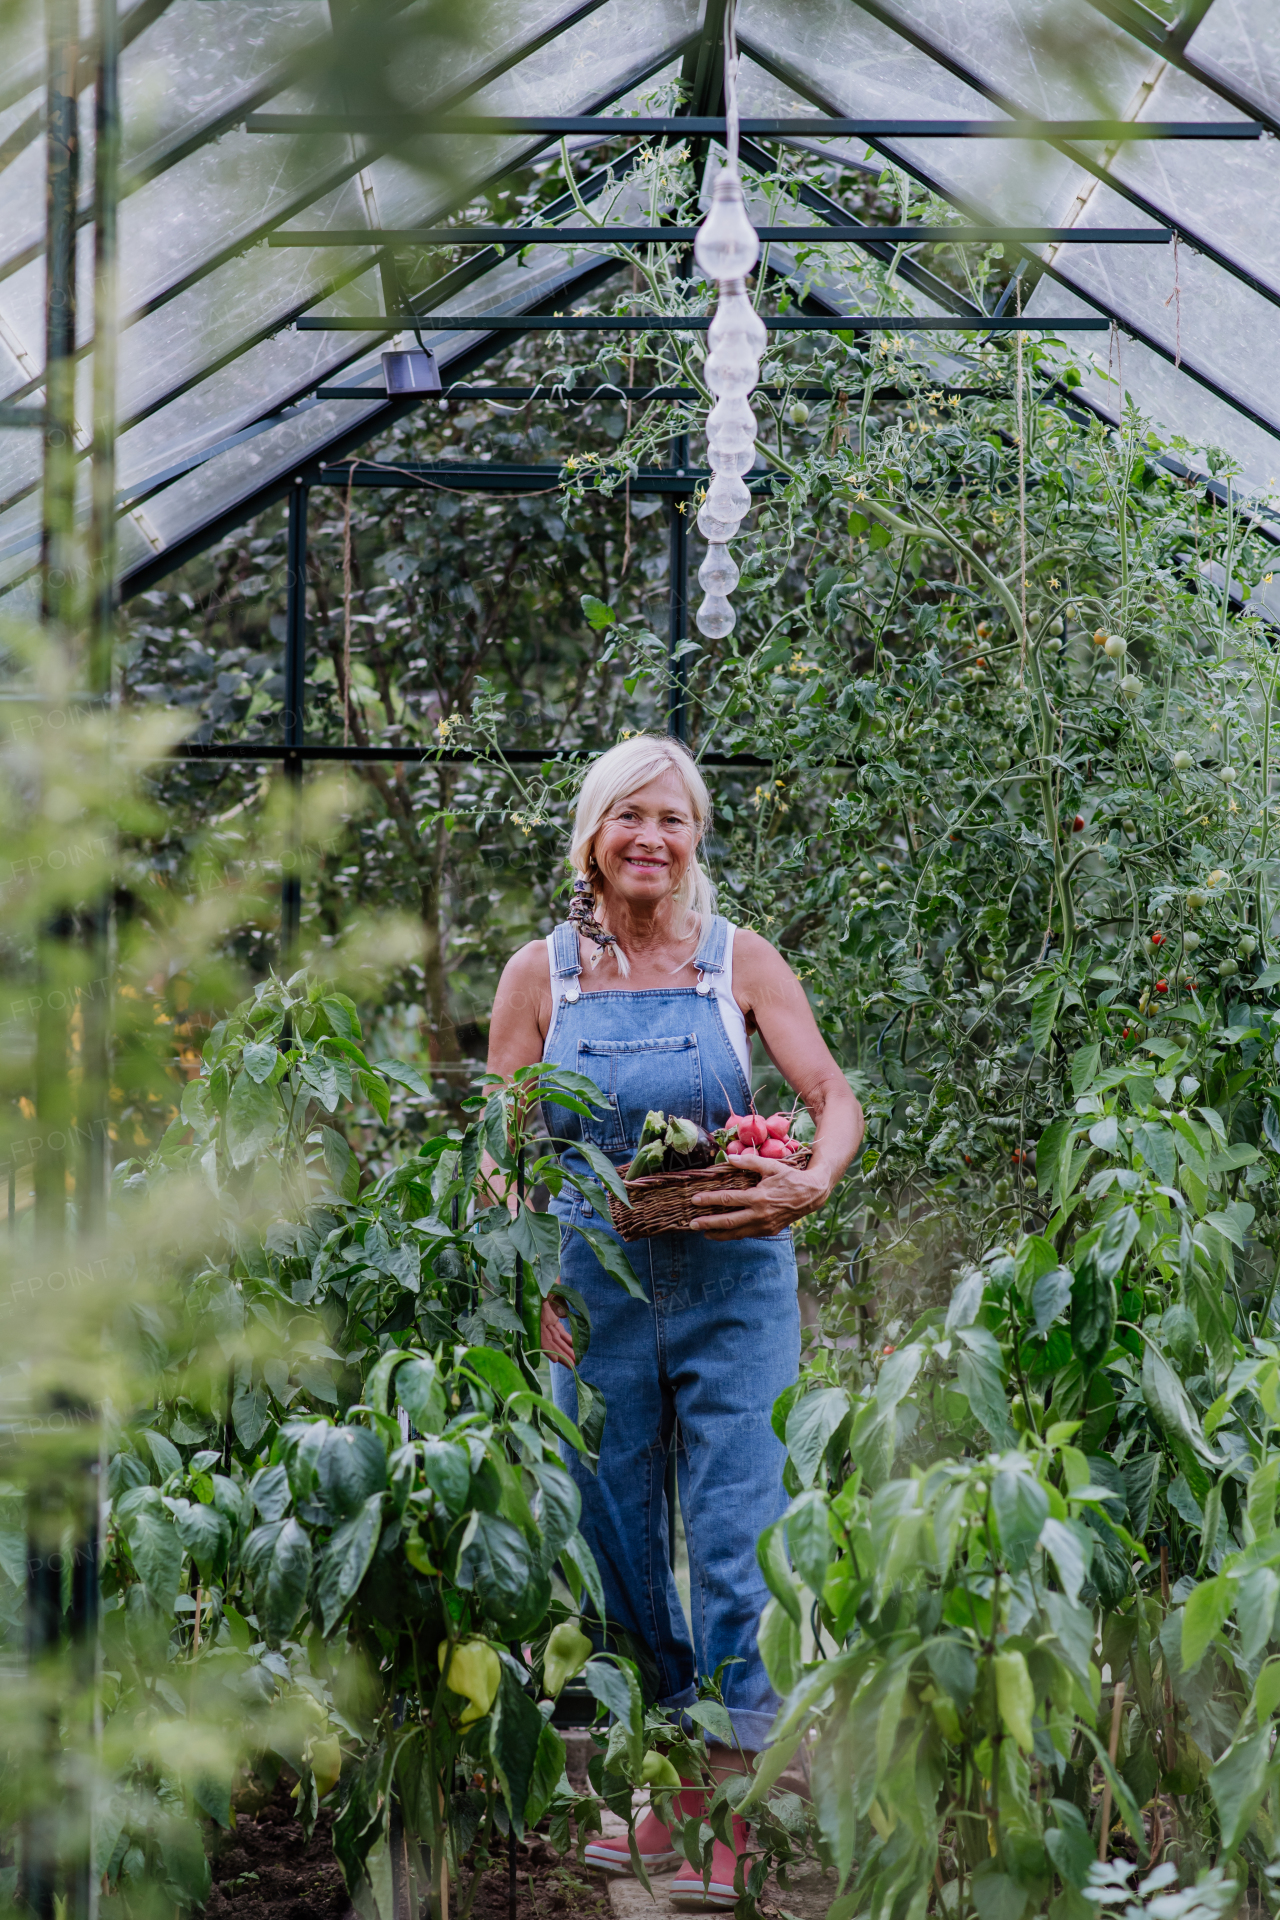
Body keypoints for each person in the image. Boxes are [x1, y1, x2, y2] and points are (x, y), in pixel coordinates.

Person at [486, 734, 862, 1908]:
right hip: (591, 1296)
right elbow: (501, 1154)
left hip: (734, 1290)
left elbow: (830, 1100)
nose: (650, 837)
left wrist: (812, 1180)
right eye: (627, 817)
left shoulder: (737, 961)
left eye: (673, 818)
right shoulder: (537, 975)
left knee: (742, 1530)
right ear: (592, 837)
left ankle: (732, 1794)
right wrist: (524, 1282)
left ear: (695, 839)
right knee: (611, 1540)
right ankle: (668, 1787)